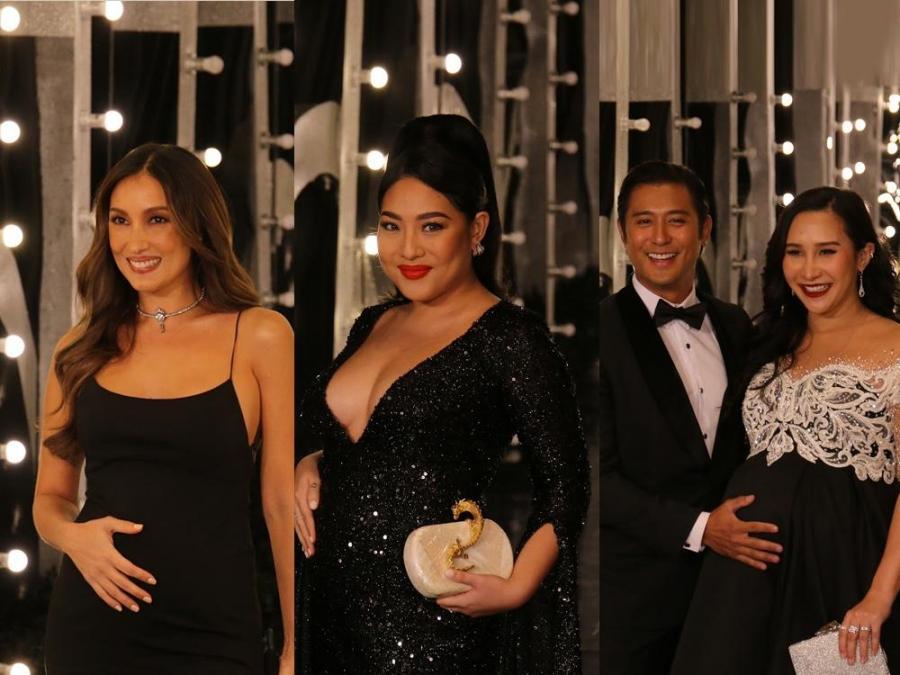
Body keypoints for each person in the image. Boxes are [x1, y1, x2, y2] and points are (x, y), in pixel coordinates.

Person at [294, 114, 591, 673]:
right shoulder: (372, 323)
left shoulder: (510, 339)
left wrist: (517, 586)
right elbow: (353, 440)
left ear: (476, 229)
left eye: (432, 226)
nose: (408, 248)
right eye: (391, 226)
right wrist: (310, 462)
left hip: (434, 628)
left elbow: (566, 485)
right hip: (329, 611)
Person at [33, 144, 294, 675]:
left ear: (198, 225)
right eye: (119, 220)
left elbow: (280, 504)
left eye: (158, 219)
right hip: (94, 627)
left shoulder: (260, 335)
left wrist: (295, 645)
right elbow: (49, 498)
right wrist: (74, 537)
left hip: (216, 630)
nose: (135, 242)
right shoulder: (78, 349)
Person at [672, 186, 900, 673]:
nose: (809, 270)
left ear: (862, 256)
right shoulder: (767, 341)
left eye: (827, 251)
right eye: (795, 252)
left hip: (843, 574)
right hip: (743, 578)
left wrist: (879, 598)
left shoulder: (895, 347)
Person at [598, 161, 779, 673]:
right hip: (637, 600)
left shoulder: (735, 324)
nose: (659, 237)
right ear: (623, 232)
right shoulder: (600, 330)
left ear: (704, 230)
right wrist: (701, 528)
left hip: (733, 586)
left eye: (676, 220)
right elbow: (596, 478)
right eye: (643, 221)